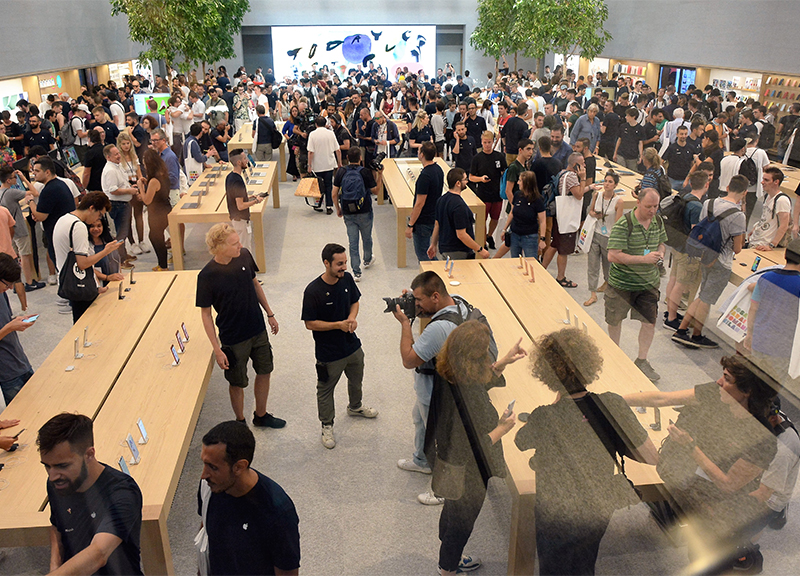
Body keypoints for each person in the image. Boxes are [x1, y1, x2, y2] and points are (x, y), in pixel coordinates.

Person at [516, 328, 658, 575]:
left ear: (546, 373)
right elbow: (651, 457)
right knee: (584, 561)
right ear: (590, 365)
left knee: (554, 567)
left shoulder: (544, 416)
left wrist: (554, 407)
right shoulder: (612, 403)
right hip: (596, 506)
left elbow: (520, 441)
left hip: (556, 511)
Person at [623, 356, 778, 574]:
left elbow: (728, 484)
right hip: (691, 485)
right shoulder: (716, 394)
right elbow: (661, 398)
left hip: (720, 507)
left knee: (707, 558)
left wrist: (690, 447)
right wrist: (614, 400)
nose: (718, 381)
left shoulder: (762, 438)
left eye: (727, 378)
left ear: (747, 391)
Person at [426, 321, 525, 575]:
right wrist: (501, 429)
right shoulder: (472, 400)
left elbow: (478, 382)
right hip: (468, 471)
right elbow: (470, 447)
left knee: (452, 507)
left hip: (447, 462)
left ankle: (448, 551)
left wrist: (503, 362)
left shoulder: (448, 370)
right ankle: (448, 567)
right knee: (463, 520)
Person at [390, 271, 471, 505]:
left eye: (419, 301)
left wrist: (406, 323)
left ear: (435, 296)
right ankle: (421, 460)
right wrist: (413, 298)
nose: (416, 305)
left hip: (436, 389)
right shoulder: (457, 301)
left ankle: (443, 490)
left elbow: (409, 359)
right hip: (446, 382)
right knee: (419, 420)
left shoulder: (438, 329)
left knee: (440, 437)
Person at [197, 223, 284, 427]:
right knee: (237, 382)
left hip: (257, 328)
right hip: (233, 338)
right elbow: (206, 314)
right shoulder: (207, 276)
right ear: (219, 247)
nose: (240, 245)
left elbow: (255, 284)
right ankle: (240, 422)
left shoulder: (244, 255)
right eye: (234, 243)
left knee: (265, 370)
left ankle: (261, 415)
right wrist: (217, 349)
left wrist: (270, 314)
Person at [38, 412, 143, 575]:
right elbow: (57, 527)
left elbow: (98, 554)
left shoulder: (122, 492)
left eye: (62, 466)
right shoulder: (58, 483)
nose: (52, 476)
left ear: (89, 454)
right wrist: (54, 566)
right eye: (47, 466)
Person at [199, 421, 300, 575]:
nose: (203, 475)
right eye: (204, 464)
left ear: (239, 467)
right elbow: (206, 529)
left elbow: (287, 571)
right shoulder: (209, 485)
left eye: (213, 467)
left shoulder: (277, 511)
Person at [301, 243, 378, 449]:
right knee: (325, 390)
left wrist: (352, 318)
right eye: (339, 264)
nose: (344, 267)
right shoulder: (313, 291)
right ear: (327, 263)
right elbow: (310, 323)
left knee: (356, 378)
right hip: (328, 353)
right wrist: (338, 325)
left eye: (345, 263)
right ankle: (327, 425)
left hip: (352, 346)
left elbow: (355, 301)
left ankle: (355, 406)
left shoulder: (347, 280)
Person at [673, 176, 748, 349]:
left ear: (728, 186)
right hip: (722, 262)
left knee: (702, 295)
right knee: (706, 299)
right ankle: (696, 335)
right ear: (744, 193)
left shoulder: (710, 203)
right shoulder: (738, 215)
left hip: (705, 256)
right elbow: (737, 249)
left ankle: (682, 330)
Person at [606, 188, 667, 382]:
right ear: (638, 202)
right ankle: (614, 356)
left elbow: (662, 243)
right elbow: (613, 255)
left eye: (655, 206)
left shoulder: (657, 221)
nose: (652, 210)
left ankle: (642, 361)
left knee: (649, 322)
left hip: (648, 283)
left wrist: (660, 253)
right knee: (615, 321)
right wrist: (644, 259)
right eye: (648, 206)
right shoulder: (624, 224)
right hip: (622, 283)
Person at [53, 192, 119, 322]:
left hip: (68, 280)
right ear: (91, 208)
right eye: (99, 215)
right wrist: (106, 251)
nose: (96, 220)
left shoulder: (64, 219)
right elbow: (83, 263)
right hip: (79, 285)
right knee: (88, 325)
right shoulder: (79, 226)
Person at [743, 237, 800, 386]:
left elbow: (753, 309)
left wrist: (749, 334)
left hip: (760, 339)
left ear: (785, 255)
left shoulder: (765, 278)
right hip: (782, 346)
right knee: (773, 385)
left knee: (755, 380)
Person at [663, 171, 708, 331]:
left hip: (677, 246)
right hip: (687, 251)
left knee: (674, 280)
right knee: (681, 285)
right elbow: (697, 233)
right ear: (706, 185)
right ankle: (672, 318)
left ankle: (670, 311)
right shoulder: (697, 206)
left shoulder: (683, 197)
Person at [26, 156, 77, 286]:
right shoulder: (60, 184)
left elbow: (41, 216)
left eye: (37, 171)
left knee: (64, 270)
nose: (34, 174)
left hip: (58, 236)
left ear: (47, 172)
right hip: (65, 232)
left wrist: (30, 201)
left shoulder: (49, 190)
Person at [541, 152, 589, 288]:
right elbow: (578, 195)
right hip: (567, 218)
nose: (585, 165)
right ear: (576, 165)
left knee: (555, 243)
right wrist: (583, 178)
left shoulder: (562, 173)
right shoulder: (573, 177)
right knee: (564, 249)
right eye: (583, 163)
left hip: (559, 215)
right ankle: (561, 277)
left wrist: (590, 188)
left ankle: (542, 268)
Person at [332, 147, 377, 281]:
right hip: (364, 210)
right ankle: (367, 260)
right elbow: (376, 192)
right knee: (367, 237)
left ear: (347, 159)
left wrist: (338, 208)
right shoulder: (365, 172)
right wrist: (379, 176)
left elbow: (334, 193)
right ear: (360, 158)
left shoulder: (341, 172)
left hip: (348, 211)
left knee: (353, 242)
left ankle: (356, 272)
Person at [584, 170, 624, 306]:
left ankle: (608, 284)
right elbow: (590, 211)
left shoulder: (619, 201)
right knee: (592, 265)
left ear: (615, 185)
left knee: (608, 266)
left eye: (610, 182)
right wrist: (594, 214)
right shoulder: (597, 195)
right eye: (605, 181)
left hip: (609, 237)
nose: (607, 184)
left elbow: (618, 224)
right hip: (595, 234)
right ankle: (592, 293)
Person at [428, 168, 487, 261]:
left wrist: (433, 244)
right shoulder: (459, 206)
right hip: (458, 251)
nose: (467, 182)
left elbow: (437, 224)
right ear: (458, 183)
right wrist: (480, 249)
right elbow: (461, 234)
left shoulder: (441, 200)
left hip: (444, 248)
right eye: (465, 179)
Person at [0, 253, 36, 404]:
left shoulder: (1, 294)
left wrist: (17, 322)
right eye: (7, 284)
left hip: (20, 361)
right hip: (7, 371)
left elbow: (5, 321)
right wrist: (9, 327)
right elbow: (5, 327)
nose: (9, 288)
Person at [0, 166, 43, 291]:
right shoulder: (12, 192)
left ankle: (14, 283)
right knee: (25, 255)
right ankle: (29, 282)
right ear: (8, 180)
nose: (16, 180)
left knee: (14, 257)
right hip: (18, 227)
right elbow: (35, 193)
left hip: (8, 230)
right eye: (14, 178)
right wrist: (24, 178)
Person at [101, 144, 137, 269]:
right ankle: (121, 261)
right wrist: (129, 191)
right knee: (121, 233)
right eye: (115, 154)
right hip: (117, 205)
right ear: (108, 157)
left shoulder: (117, 166)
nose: (119, 156)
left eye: (118, 153)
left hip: (123, 203)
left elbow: (121, 183)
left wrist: (129, 187)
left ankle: (124, 254)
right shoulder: (110, 170)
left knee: (124, 231)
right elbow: (113, 190)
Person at [469, 131, 507, 249]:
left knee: (495, 218)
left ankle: (489, 235)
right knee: (482, 219)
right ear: (481, 142)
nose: (487, 145)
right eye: (485, 143)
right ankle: (483, 241)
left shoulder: (499, 157)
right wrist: (480, 178)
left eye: (489, 142)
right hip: (483, 194)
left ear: (493, 142)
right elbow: (471, 177)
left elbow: (504, 173)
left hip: (497, 193)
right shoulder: (477, 158)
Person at [406, 142, 443, 262]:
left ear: (422, 154)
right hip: (435, 216)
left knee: (424, 255)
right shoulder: (438, 169)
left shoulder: (425, 176)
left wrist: (410, 224)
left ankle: (434, 278)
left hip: (423, 221)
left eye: (418, 151)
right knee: (430, 251)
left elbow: (419, 203)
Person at [137, 149, 172, 271]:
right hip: (165, 209)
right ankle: (162, 264)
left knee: (156, 238)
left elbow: (147, 200)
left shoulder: (154, 181)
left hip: (157, 213)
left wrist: (141, 187)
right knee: (156, 237)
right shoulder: (162, 175)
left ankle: (163, 266)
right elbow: (158, 190)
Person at [225, 149, 263, 253]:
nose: (247, 160)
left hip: (236, 218)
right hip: (241, 220)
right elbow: (240, 206)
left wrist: (248, 197)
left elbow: (235, 196)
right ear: (238, 162)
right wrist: (256, 201)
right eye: (244, 159)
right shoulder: (238, 181)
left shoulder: (230, 177)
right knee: (245, 250)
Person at [747, 166, 791, 252]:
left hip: (764, 244)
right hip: (756, 239)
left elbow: (784, 225)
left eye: (766, 180)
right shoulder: (767, 196)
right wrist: (755, 228)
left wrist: (772, 245)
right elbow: (765, 217)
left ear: (776, 182)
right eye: (763, 179)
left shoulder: (782, 200)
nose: (762, 182)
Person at [307, 116, 341, 214]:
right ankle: (329, 206)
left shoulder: (312, 135)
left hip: (317, 165)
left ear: (316, 124)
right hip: (329, 164)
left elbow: (310, 152)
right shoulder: (331, 134)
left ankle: (318, 204)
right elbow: (337, 150)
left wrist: (309, 165)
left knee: (318, 186)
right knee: (329, 185)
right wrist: (339, 162)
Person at [87, 216, 124, 286]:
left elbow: (117, 260)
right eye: (92, 226)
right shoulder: (85, 245)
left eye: (99, 226)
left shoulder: (109, 241)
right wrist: (107, 277)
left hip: (115, 282)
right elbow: (87, 267)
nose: (96, 229)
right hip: (98, 285)